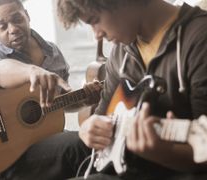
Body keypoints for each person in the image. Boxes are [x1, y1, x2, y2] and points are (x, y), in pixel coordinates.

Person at [57, 0, 207, 179]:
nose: (96, 35)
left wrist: (161, 152)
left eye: (95, 20)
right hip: (127, 161)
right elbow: (102, 115)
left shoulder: (200, 40)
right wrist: (88, 128)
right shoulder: (120, 52)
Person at [0, 0, 100, 179]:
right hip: (7, 156)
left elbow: (57, 103)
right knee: (82, 144)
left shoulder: (53, 53)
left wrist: (84, 99)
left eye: (17, 19)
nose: (13, 29)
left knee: (96, 141)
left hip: (45, 140)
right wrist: (30, 71)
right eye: (3, 26)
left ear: (27, 16)